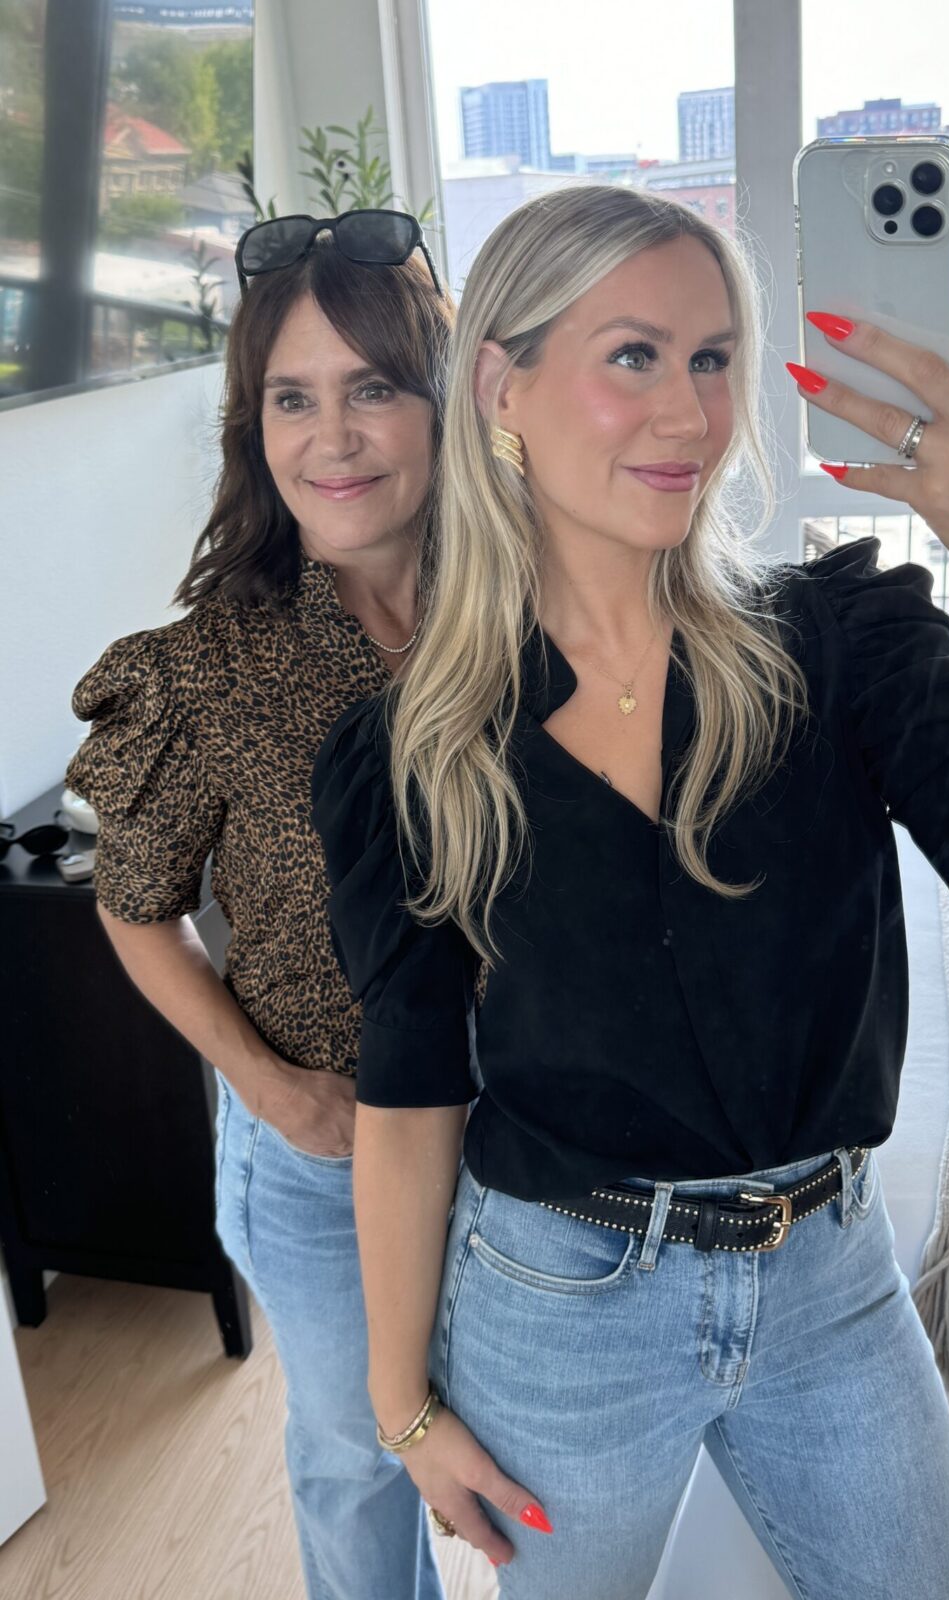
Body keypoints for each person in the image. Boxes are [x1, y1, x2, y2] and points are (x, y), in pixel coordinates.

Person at [312, 185, 949, 1600]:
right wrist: (402, 1407)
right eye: (634, 354)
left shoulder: (836, 641)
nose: (691, 414)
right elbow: (407, 1094)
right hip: (560, 1305)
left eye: (711, 358)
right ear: (502, 385)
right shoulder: (409, 751)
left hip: (830, 1281)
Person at [66, 212, 453, 1600]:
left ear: (442, 402)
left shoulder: (533, 616)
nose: (330, 437)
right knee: (357, 1458)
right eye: (292, 396)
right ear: (254, 423)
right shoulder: (208, 665)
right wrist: (274, 1092)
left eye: (373, 388)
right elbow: (135, 907)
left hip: (533, 1138)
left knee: (530, 1457)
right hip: (328, 1151)